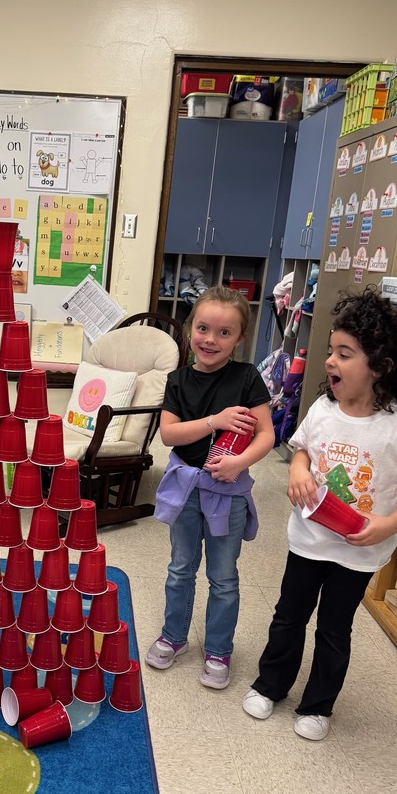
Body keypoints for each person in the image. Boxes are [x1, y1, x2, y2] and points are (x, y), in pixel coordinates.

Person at [243, 287, 397, 740]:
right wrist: (297, 472)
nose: (329, 361)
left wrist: (390, 524)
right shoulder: (325, 408)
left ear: (381, 365)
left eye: (344, 354)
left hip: (359, 550)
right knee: (289, 616)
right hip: (309, 539)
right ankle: (270, 685)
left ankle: (318, 706)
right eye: (331, 351)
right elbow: (303, 450)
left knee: (333, 629)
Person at [145, 286, 274, 689]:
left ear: (240, 339)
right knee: (180, 568)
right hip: (185, 487)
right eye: (203, 328)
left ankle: (219, 649)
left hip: (228, 492)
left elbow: (266, 435)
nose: (210, 340)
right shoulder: (178, 380)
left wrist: (239, 463)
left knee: (224, 576)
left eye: (224, 332)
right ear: (189, 329)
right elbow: (169, 434)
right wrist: (215, 421)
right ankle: (174, 636)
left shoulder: (247, 378)